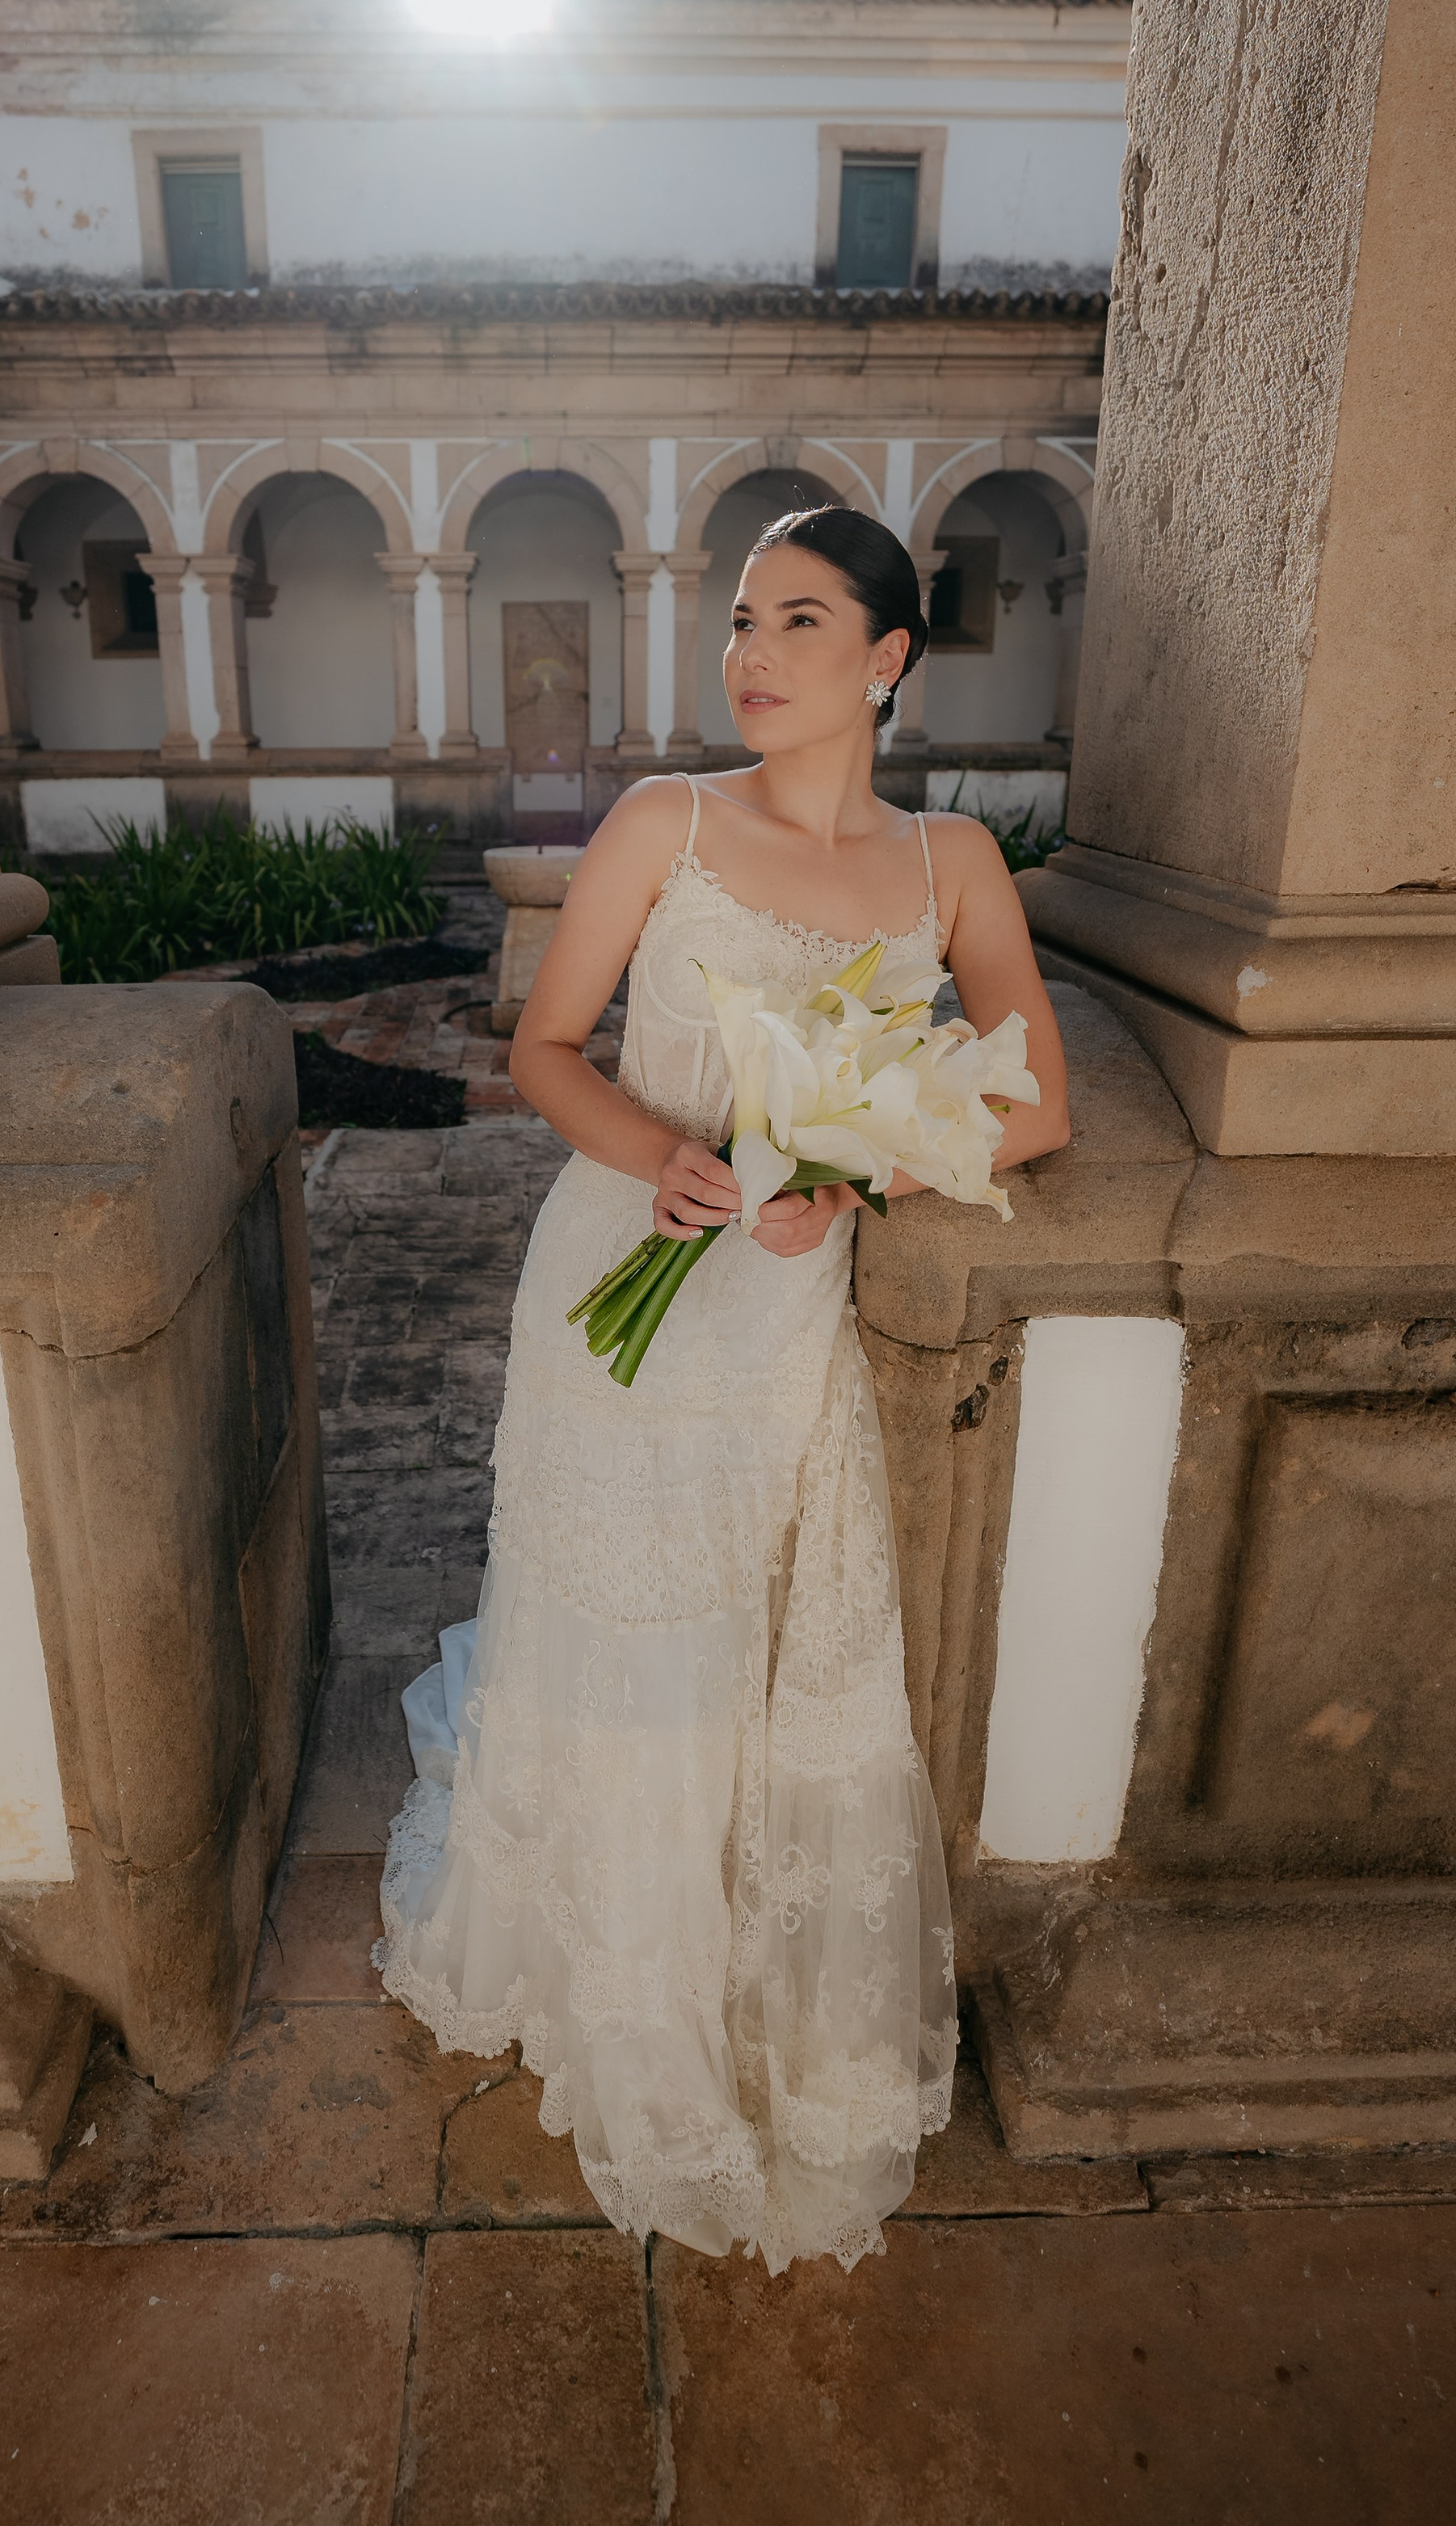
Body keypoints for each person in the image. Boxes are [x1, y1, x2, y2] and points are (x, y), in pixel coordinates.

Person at [377, 504, 1073, 2270]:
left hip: (778, 1308)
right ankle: (615, 1976)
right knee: (623, 1629)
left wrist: (860, 1169)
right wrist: (664, 1156)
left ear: (888, 660)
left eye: (800, 621)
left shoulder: (952, 868)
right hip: (623, 1268)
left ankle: (725, 1959)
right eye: (739, 621)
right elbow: (543, 1048)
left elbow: (1034, 1107)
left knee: (746, 1639)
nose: (749, 655)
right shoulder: (663, 822)